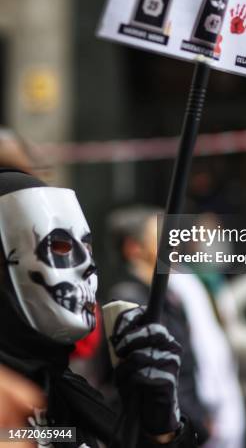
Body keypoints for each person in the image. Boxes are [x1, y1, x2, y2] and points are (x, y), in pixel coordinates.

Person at [0, 169, 198, 447]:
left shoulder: (71, 397)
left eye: (88, 247)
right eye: (60, 246)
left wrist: (160, 431)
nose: (88, 265)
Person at [107, 206, 246, 448]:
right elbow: (160, 375)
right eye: (160, 236)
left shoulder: (173, 290)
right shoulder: (132, 300)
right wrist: (193, 423)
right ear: (134, 248)